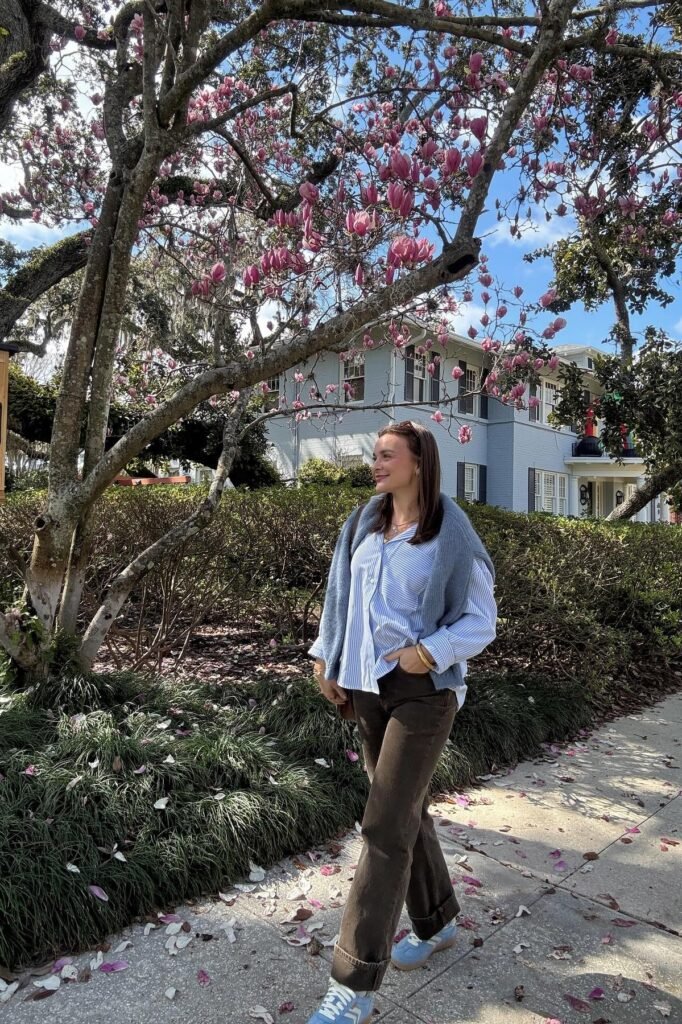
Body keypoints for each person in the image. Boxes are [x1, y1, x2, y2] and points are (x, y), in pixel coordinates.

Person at [305, 420, 497, 1024]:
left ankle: (354, 982)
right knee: (404, 812)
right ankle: (437, 920)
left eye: (387, 455)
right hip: (365, 688)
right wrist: (324, 653)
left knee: (384, 826)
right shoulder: (365, 520)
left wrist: (430, 652)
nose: (375, 464)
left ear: (418, 462)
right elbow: (341, 594)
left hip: (422, 692)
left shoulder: (450, 530)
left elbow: (481, 620)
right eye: (375, 454)